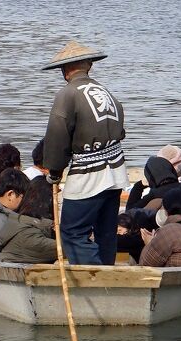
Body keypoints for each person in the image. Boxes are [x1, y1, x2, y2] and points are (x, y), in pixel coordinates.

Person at [42, 40, 127, 265]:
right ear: (88, 66)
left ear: (65, 70)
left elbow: (57, 136)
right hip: (116, 170)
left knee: (72, 232)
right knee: (106, 233)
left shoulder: (67, 94)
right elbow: (121, 130)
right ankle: (109, 276)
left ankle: (96, 282)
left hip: (90, 173)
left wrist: (55, 171)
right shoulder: (106, 91)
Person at [0, 168, 57, 264]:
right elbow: (0, 258)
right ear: (11, 195)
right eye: (24, 197)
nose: (26, 201)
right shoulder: (0, 222)